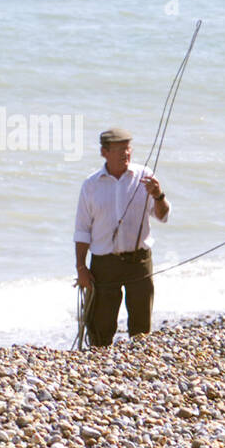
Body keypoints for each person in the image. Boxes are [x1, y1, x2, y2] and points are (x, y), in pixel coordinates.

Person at [74, 127, 170, 347]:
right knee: (100, 327)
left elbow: (163, 216)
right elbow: (82, 230)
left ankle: (139, 367)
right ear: (104, 152)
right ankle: (97, 367)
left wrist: (159, 195)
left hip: (140, 261)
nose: (125, 154)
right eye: (118, 150)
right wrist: (81, 268)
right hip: (104, 264)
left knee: (141, 329)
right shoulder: (91, 185)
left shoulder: (144, 176)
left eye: (127, 149)